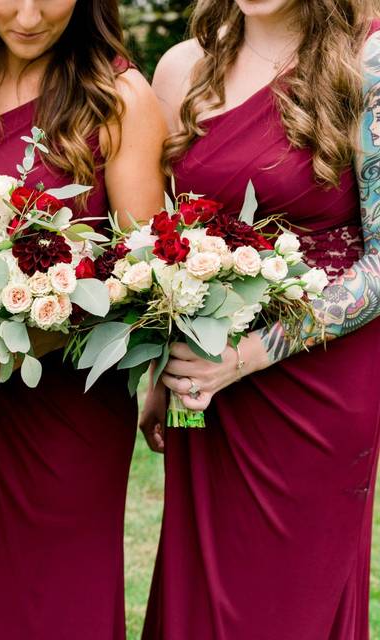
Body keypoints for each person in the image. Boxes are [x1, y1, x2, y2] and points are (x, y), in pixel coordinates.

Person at [0, 1, 166, 637]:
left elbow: (143, 279)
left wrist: (40, 330)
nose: (28, 15)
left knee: (65, 604)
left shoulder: (118, 99)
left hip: (71, 408)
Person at [142, 1, 380, 637]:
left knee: (289, 607)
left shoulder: (367, 63)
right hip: (205, 391)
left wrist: (248, 355)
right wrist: (156, 370)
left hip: (319, 390)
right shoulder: (181, 71)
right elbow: (167, 241)